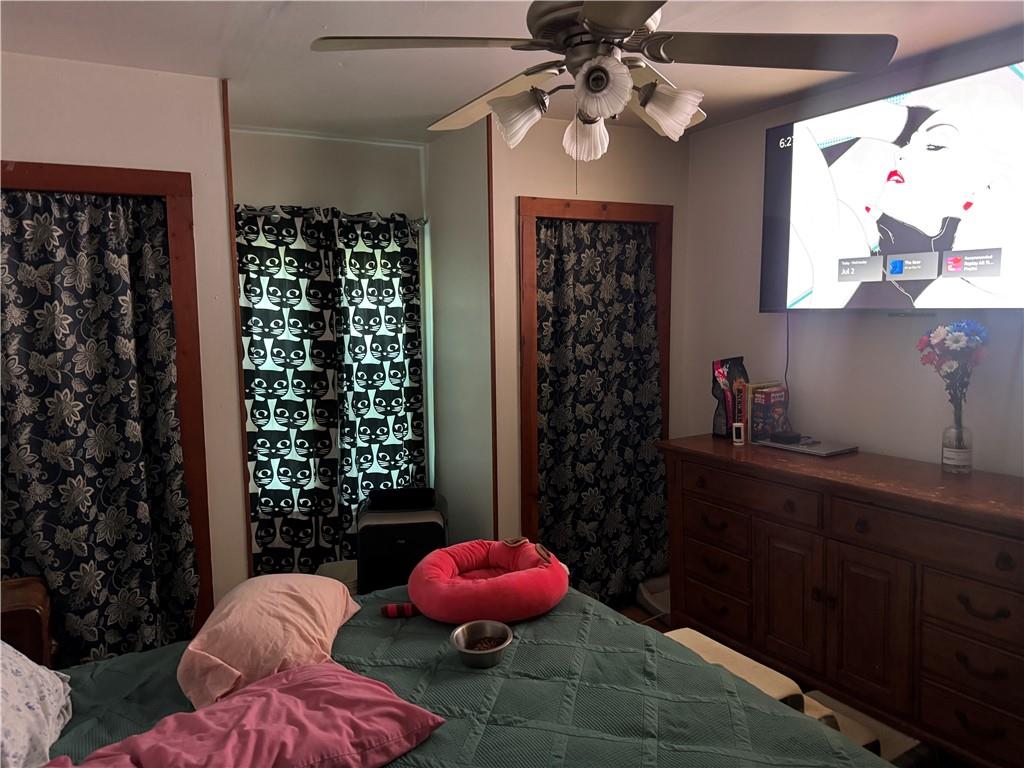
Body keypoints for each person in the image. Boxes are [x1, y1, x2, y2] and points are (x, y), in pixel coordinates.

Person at [787, 65, 1023, 309]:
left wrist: (909, 125)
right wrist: (907, 123)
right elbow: (793, 135)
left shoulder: (994, 288)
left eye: (934, 146)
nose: (901, 154)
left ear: (984, 191)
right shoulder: (849, 242)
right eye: (909, 142)